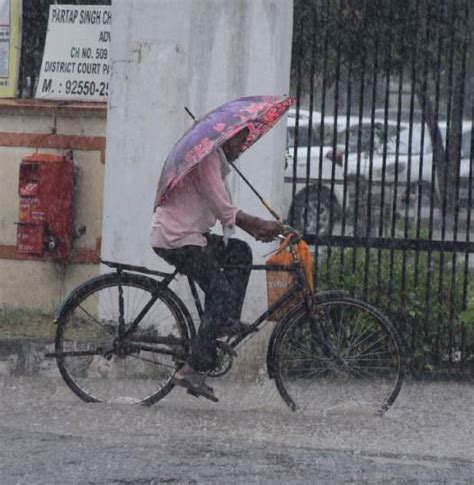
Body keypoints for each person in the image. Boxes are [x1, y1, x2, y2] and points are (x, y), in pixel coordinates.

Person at [151, 127, 283, 401]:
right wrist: (258, 224)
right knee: (220, 292)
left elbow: (226, 212)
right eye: (239, 140)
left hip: (192, 235)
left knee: (239, 253)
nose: (242, 147)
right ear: (226, 139)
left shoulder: (218, 164)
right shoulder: (207, 159)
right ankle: (192, 369)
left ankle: (224, 321)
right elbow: (224, 209)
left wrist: (255, 229)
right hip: (178, 238)